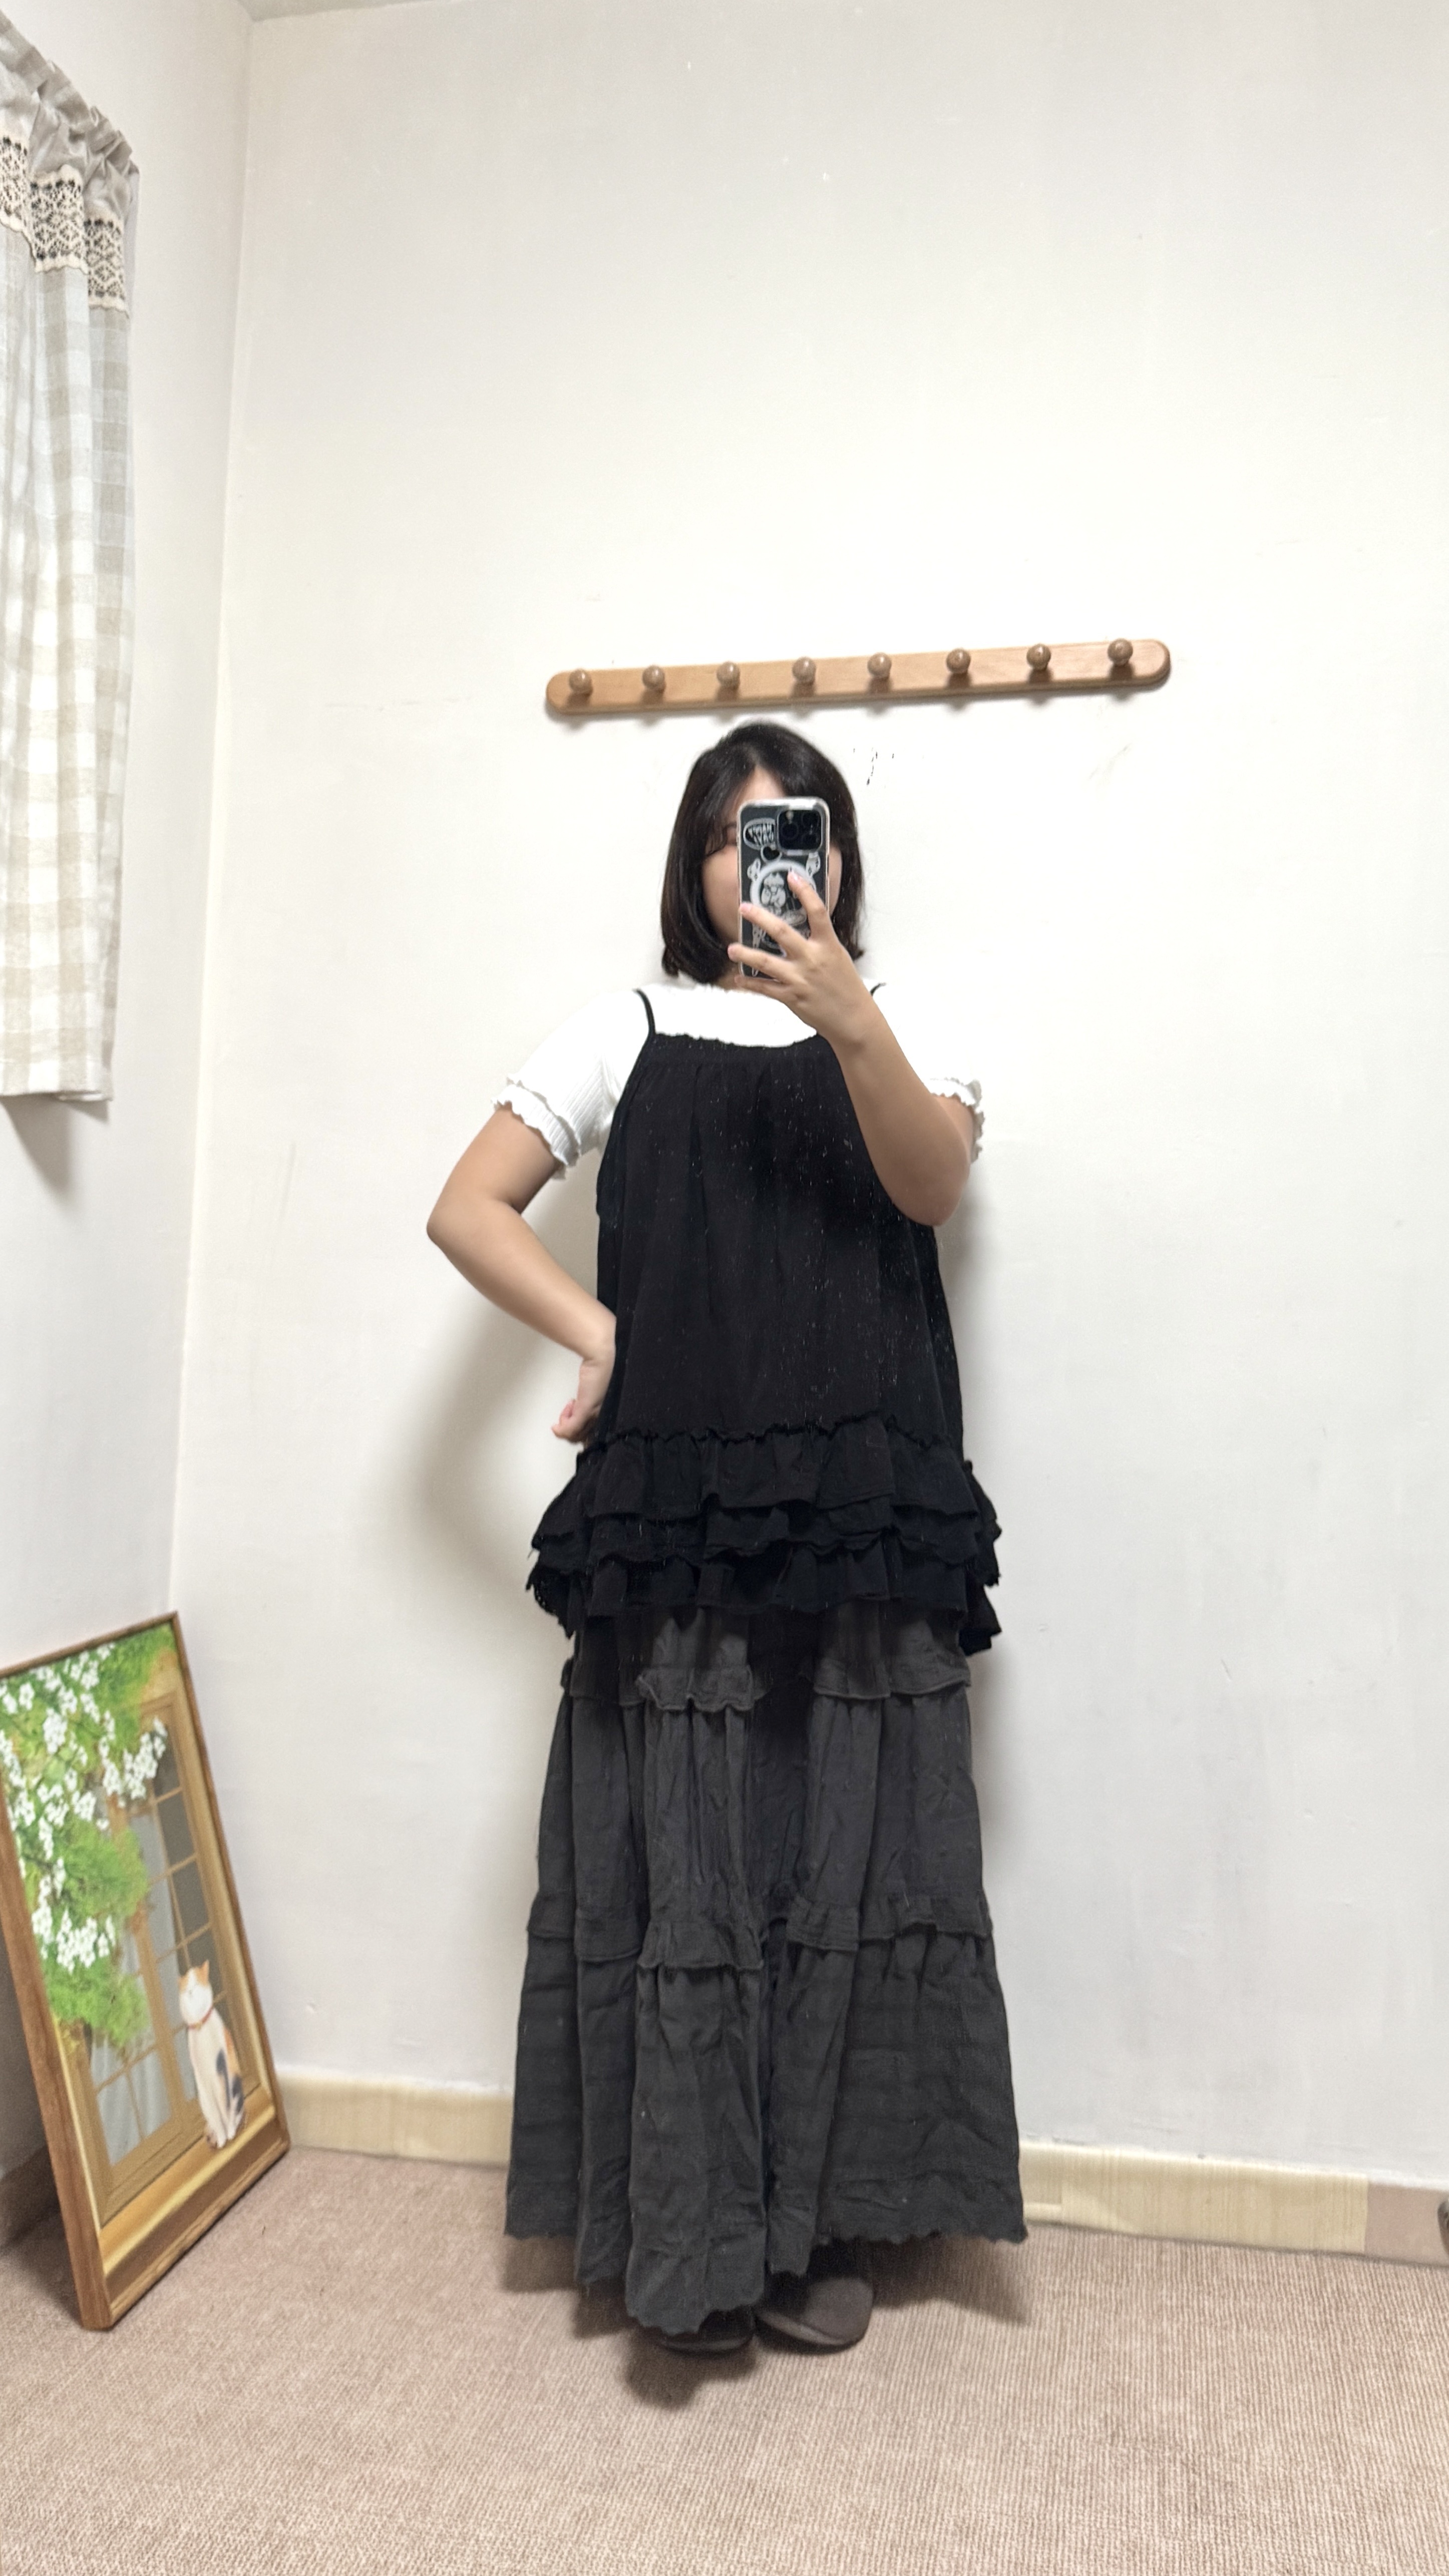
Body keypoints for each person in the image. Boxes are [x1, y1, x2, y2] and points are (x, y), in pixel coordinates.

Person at [427, 721, 1023, 2356]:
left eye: (796, 834)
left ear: (836, 861)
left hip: (861, 1501)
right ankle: (691, 2229)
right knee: (690, 1855)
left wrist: (845, 1016)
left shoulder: (901, 1014)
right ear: (693, 866)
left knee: (842, 1848)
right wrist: (596, 1330)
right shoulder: (622, 1023)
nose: (765, 865)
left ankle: (814, 2222)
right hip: (679, 1500)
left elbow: (930, 1187)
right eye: (733, 836)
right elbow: (466, 1206)